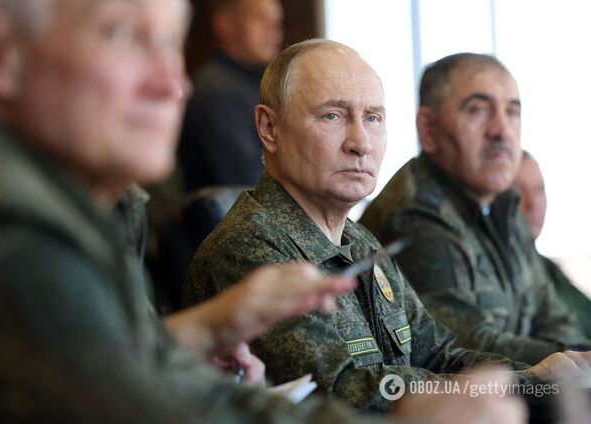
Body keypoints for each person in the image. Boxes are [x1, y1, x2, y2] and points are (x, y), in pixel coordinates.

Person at [0, 1, 528, 423]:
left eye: (172, 42)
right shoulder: (6, 229)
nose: (174, 84)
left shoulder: (85, 215)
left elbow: (130, 371)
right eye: (122, 33)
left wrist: (195, 336)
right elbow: (162, 410)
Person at [184, 39, 591, 414]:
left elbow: (439, 355)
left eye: (373, 118)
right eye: (332, 115)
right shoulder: (249, 247)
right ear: (269, 128)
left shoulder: (360, 241)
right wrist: (526, 383)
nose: (360, 143)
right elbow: (343, 392)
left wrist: (545, 373)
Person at [359, 53, 591, 366]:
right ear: (428, 130)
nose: (502, 130)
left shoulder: (503, 204)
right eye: (478, 110)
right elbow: (464, 348)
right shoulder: (415, 214)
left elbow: (552, 315)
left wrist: (578, 358)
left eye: (512, 112)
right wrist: (575, 362)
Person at [178, 0, 283, 192]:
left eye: (276, 21)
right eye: (260, 18)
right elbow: (252, 184)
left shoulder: (259, 84)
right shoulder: (216, 92)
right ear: (225, 26)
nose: (273, 29)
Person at [514, 151, 591, 338]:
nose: (532, 203)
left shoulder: (547, 268)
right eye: (518, 192)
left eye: (539, 190)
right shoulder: (504, 272)